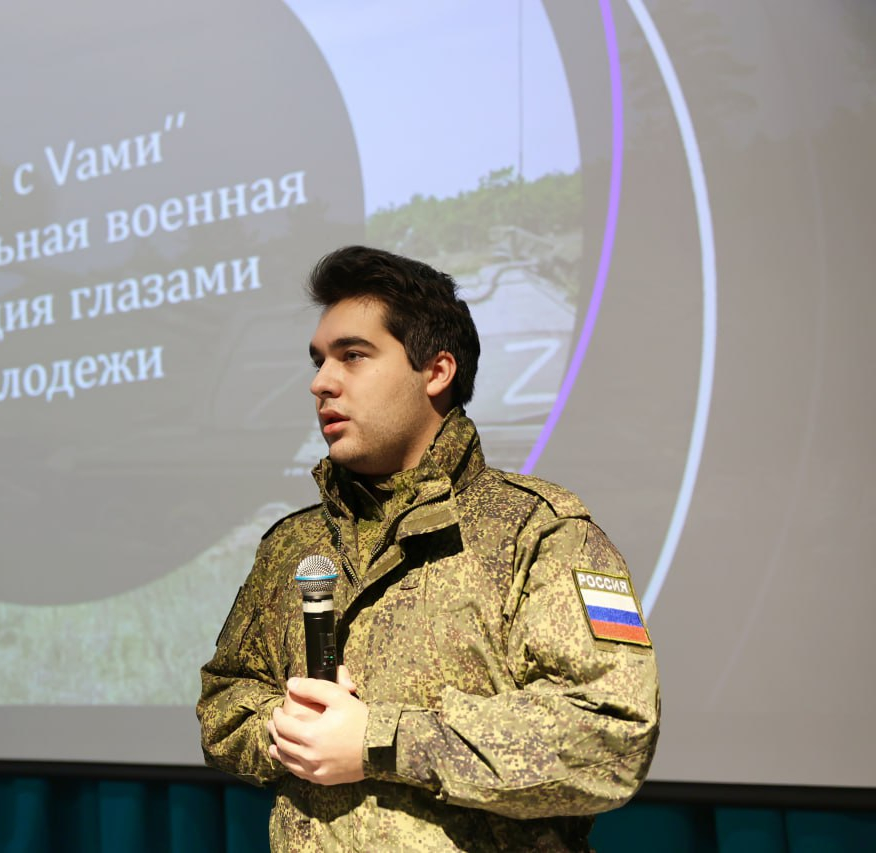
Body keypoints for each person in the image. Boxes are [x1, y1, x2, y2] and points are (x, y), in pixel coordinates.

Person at [197, 246, 660, 850]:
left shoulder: (540, 532)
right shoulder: (293, 545)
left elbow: (611, 737)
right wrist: (285, 728)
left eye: (352, 356)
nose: (320, 382)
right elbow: (224, 702)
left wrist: (381, 739)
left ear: (436, 372)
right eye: (319, 360)